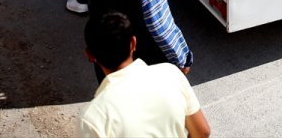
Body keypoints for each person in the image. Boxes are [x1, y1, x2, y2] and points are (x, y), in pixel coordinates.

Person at [79, 11, 211, 138]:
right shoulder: (171, 74)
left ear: (90, 55)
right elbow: (202, 132)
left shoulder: (93, 118)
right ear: (133, 43)